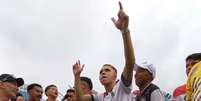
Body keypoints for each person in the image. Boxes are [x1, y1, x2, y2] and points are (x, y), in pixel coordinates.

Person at [73, 1, 135, 101]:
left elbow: (130, 63)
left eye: (107, 70)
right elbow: (80, 98)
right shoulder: (100, 97)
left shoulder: (122, 87)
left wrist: (125, 31)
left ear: (115, 75)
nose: (103, 73)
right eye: (101, 71)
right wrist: (77, 76)